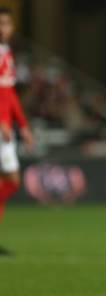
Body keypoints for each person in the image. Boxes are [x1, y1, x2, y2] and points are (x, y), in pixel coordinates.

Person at [0, 7, 34, 225]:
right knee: (11, 180)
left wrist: (22, 125)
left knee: (10, 181)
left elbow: (9, 93)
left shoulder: (6, 53)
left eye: (6, 24)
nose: (2, 28)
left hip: (6, 127)